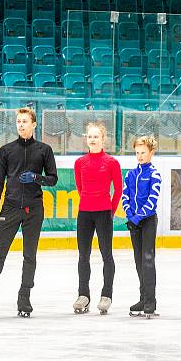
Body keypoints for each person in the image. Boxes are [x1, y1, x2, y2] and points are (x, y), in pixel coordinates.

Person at [0, 108, 58, 318]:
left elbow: (53, 179)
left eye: (25, 121)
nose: (21, 125)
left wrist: (37, 178)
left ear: (34, 124)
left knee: (29, 256)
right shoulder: (6, 150)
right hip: (10, 207)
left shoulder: (44, 150)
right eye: (18, 121)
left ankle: (24, 299)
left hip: (34, 209)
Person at [73, 123, 122, 315]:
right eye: (89, 136)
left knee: (106, 255)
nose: (92, 139)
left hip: (104, 213)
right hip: (84, 213)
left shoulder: (111, 162)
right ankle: (83, 294)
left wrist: (110, 211)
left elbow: (118, 190)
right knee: (83, 256)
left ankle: (106, 294)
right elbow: (80, 187)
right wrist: (88, 202)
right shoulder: (79, 163)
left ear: (103, 139)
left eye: (96, 137)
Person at [122, 136, 162, 318]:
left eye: (143, 153)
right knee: (138, 259)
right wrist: (130, 215)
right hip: (134, 221)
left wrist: (137, 217)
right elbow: (125, 196)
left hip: (147, 221)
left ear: (151, 152)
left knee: (147, 259)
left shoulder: (154, 174)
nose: (139, 156)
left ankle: (150, 301)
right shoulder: (130, 174)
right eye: (137, 153)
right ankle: (143, 297)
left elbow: (152, 200)